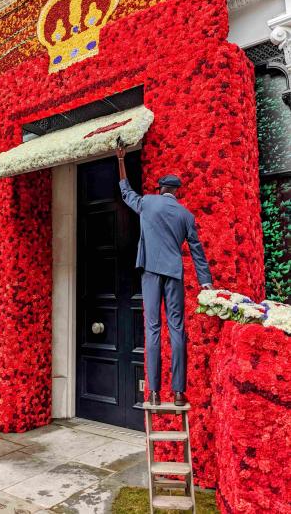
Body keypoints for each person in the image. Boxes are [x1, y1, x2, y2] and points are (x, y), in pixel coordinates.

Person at [116, 144, 213, 406]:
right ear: (176, 193)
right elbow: (197, 252)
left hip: (150, 272)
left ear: (160, 190)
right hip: (174, 274)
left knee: (153, 329)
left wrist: (121, 160)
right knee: (177, 329)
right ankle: (179, 393)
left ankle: (154, 393)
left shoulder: (148, 203)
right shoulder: (186, 215)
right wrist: (206, 283)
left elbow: (126, 193)